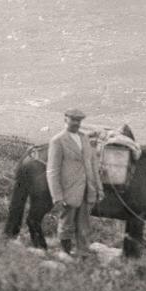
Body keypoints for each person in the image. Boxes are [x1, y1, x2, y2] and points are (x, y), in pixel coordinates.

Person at [46, 107, 103, 256]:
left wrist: (99, 188)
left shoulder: (85, 138)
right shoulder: (58, 140)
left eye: (79, 120)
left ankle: (83, 254)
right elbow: (52, 171)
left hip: (86, 188)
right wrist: (57, 196)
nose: (76, 123)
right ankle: (65, 252)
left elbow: (93, 164)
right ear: (65, 119)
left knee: (84, 224)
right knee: (66, 223)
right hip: (68, 190)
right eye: (73, 120)